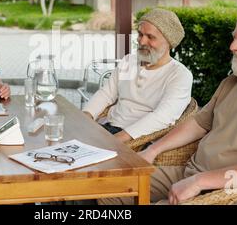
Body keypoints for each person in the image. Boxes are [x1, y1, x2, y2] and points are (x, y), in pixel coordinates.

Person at [102, 1, 237, 205]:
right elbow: (198, 124)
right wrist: (152, 150)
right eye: (234, 38)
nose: (232, 46)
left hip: (234, 190)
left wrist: (200, 181)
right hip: (191, 173)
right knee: (108, 187)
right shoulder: (233, 81)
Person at [83, 8, 193, 142]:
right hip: (108, 128)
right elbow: (106, 94)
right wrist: (86, 116)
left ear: (169, 42)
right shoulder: (129, 61)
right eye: (140, 34)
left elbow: (163, 117)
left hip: (138, 139)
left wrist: (117, 139)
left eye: (150, 37)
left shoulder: (180, 75)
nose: (142, 41)